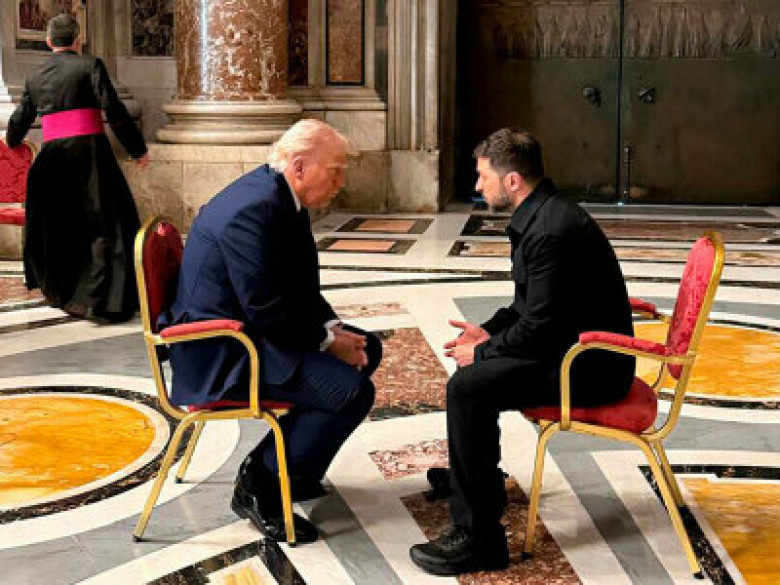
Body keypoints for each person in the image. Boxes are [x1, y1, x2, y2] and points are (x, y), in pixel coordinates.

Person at [410, 129, 635, 575]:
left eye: (483, 176)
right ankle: (479, 484)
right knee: (474, 383)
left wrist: (485, 353)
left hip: (590, 367)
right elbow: (527, 308)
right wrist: (487, 333)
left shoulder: (549, 231)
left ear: (512, 180)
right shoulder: (544, 216)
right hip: (571, 349)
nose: (478, 185)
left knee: (469, 388)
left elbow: (540, 327)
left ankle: (480, 539)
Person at [160, 119, 382, 544]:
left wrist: (332, 329)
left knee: (368, 349)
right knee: (352, 393)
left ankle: (295, 469)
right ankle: (259, 481)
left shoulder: (280, 196)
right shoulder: (253, 209)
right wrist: (327, 342)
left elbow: (297, 287)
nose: (341, 181)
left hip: (251, 331)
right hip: (221, 350)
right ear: (298, 166)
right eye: (335, 170)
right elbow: (265, 308)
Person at [5, 14, 149, 322]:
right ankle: (102, 299)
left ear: (48, 41)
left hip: (52, 159)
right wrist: (137, 149)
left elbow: (21, 117)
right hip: (91, 155)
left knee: (62, 226)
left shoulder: (35, 75)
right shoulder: (90, 65)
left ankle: (64, 293)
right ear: (78, 39)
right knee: (105, 224)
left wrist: (12, 140)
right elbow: (113, 109)